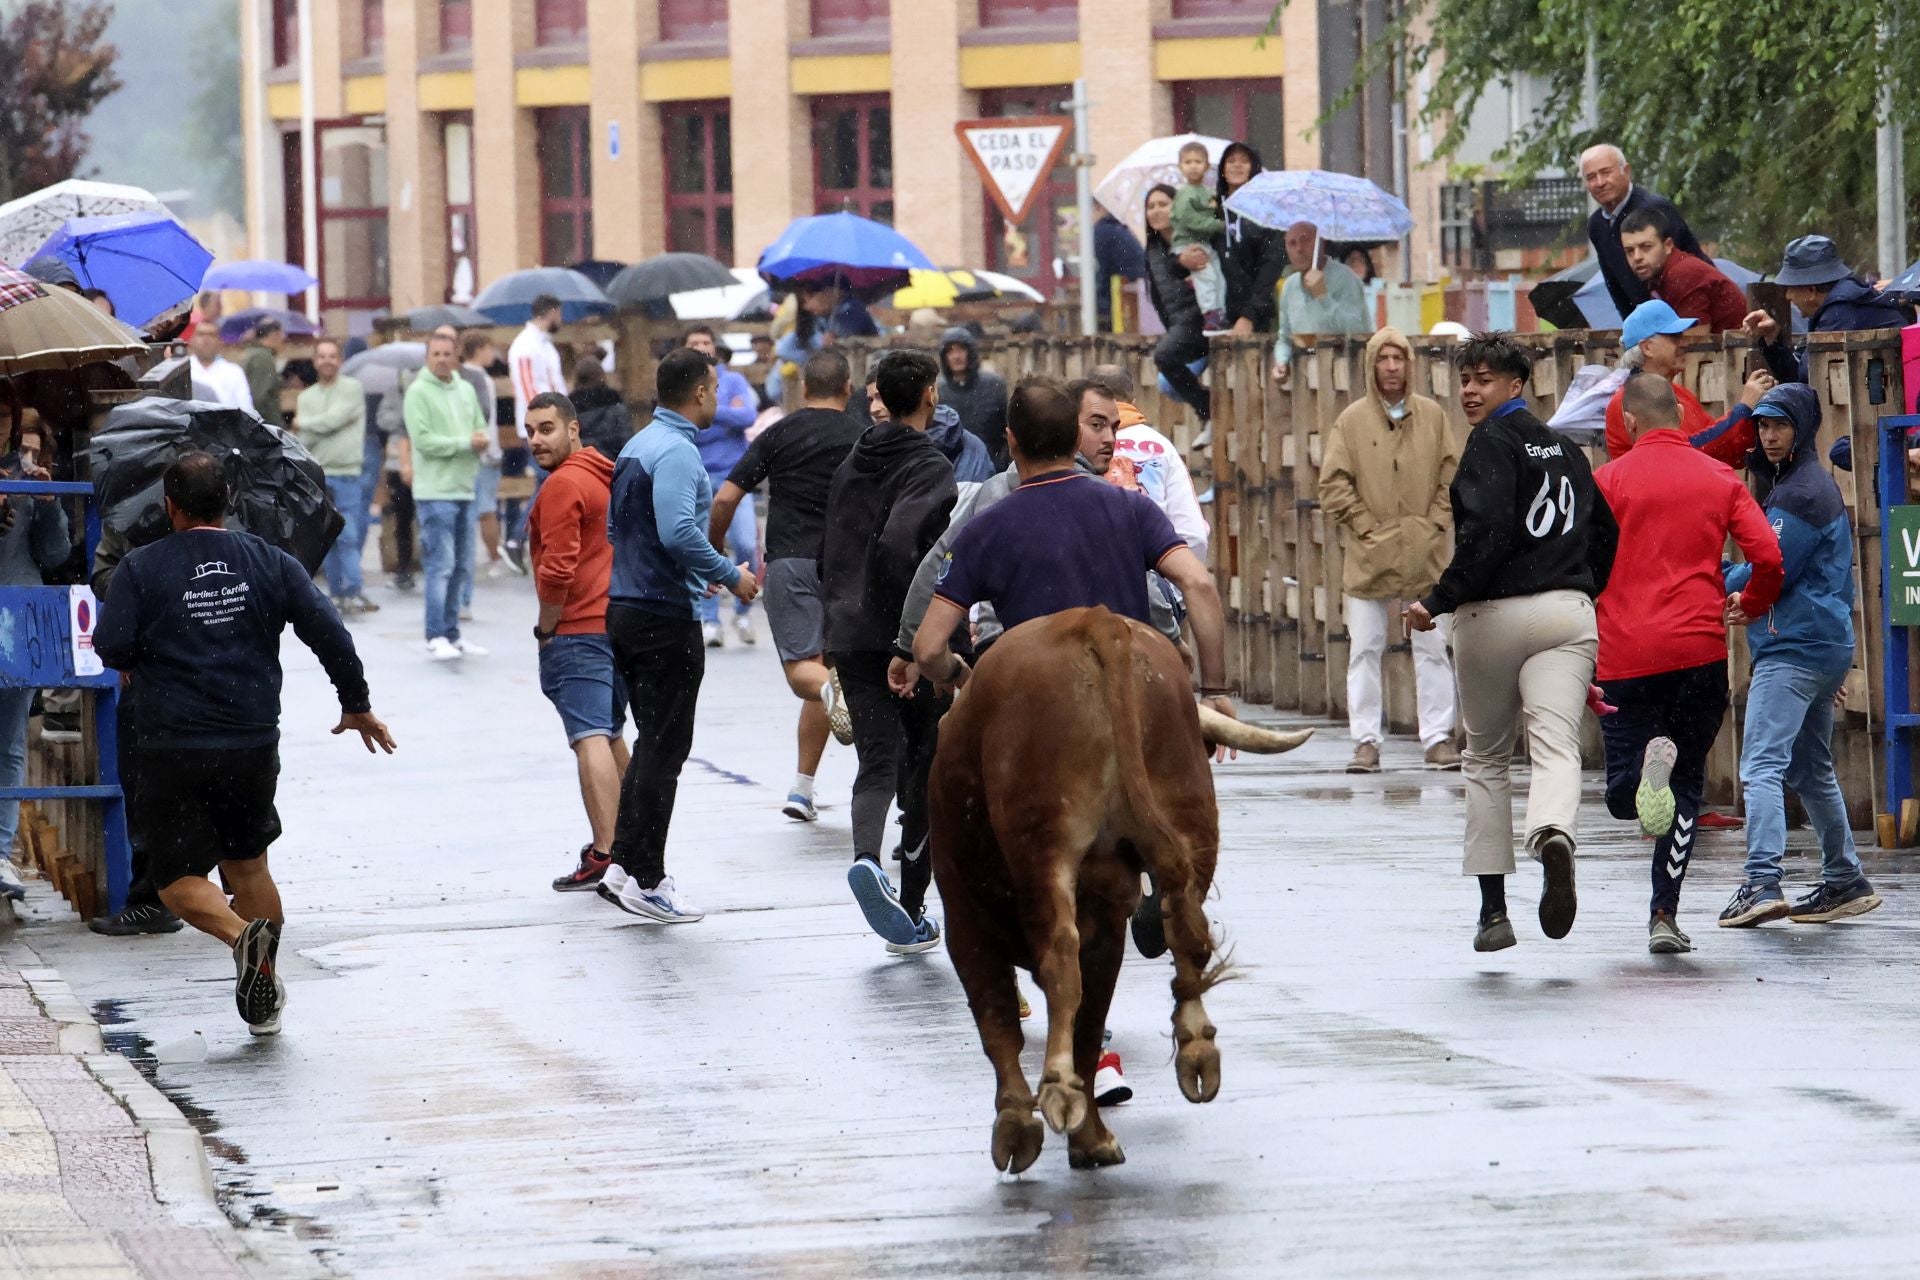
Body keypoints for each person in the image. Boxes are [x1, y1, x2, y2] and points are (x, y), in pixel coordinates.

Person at [93, 452, 396, 1035]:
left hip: (171, 743)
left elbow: (112, 643)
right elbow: (328, 630)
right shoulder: (269, 561)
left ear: (170, 507)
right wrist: (355, 703)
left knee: (176, 881)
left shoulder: (140, 567)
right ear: (227, 501)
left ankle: (239, 940)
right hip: (251, 740)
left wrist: (134, 659)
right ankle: (266, 992)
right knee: (249, 866)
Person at [1405, 333, 1618, 954]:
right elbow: (1606, 531)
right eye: (1465, 379)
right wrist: (1581, 591)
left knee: (1487, 758)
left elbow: (1487, 533)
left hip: (1492, 614)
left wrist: (1436, 599)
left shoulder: (1489, 444)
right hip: (1565, 613)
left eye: (1484, 379)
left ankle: (1494, 910)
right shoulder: (1568, 450)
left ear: (1516, 384)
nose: (1470, 390)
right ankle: (1554, 833)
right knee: (1557, 747)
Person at [1592, 373, 1783, 953]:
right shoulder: (1718, 477)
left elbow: (1573, 566)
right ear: (1678, 414)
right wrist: (1749, 605)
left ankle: (1634, 782)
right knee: (1687, 787)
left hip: (1625, 652)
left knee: (1626, 795)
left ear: (1628, 423)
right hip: (1698, 651)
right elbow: (1768, 556)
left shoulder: (1604, 482)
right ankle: (1663, 915)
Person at [1717, 384, 1883, 929]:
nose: (1768, 435)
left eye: (1780, 426)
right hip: (1823, 645)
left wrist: (1716, 575)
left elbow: (1770, 565)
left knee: (1761, 765)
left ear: (1803, 428)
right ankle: (1844, 879)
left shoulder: (1800, 493)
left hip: (1794, 649)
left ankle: (1761, 881)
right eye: (1763, 426)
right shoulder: (1806, 483)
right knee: (1812, 769)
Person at [603, 348, 759, 924]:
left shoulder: (638, 444)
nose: (717, 398)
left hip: (627, 606)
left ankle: (622, 864)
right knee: (666, 749)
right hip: (660, 617)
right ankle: (650, 878)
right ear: (698, 393)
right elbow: (676, 530)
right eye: (714, 388)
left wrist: (694, 572)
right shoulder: (677, 452)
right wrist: (727, 573)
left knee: (651, 743)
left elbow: (621, 528)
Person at [820, 349, 957, 953]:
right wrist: (911, 631)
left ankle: (864, 858)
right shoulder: (929, 465)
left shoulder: (855, 456)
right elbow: (906, 542)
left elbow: (835, 539)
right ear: (929, 393)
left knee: (876, 759)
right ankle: (909, 907)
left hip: (847, 630)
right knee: (923, 769)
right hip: (903, 636)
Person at [711, 349, 863, 822]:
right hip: (848, 567)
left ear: (803, 389)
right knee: (828, 674)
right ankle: (802, 788)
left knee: (806, 674)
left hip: (792, 561)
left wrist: (716, 552)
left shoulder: (779, 432)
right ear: (847, 388)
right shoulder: (863, 437)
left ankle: (844, 701)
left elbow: (726, 497)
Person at [1318, 328, 1461, 773]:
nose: (1393, 367)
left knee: (1433, 648)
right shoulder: (1352, 421)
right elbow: (1333, 484)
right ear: (1371, 365)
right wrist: (1364, 526)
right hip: (1370, 555)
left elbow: (1450, 476)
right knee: (1364, 648)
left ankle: (1438, 738)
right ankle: (1365, 741)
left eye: (1400, 358)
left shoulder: (1433, 417)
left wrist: (1435, 522)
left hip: (1426, 553)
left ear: (1410, 365)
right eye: (1384, 358)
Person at [524, 391, 631, 893]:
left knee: (588, 736)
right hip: (615, 624)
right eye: (529, 431)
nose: (535, 440)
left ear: (573, 429)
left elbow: (557, 569)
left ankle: (607, 853)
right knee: (610, 735)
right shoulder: (602, 473)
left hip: (578, 629)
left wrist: (547, 627)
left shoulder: (563, 485)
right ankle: (635, 840)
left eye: (546, 428)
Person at [0, 449, 68, 902]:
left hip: (17, 613)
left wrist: (46, 504)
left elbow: (54, 554)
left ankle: (0, 849)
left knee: (10, 740)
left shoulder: (24, 475)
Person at [405, 331, 490, 661]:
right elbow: (424, 441)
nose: (441, 359)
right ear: (427, 357)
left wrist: (478, 439)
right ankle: (434, 633)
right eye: (435, 353)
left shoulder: (466, 389)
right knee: (441, 565)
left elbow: (479, 425)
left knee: (462, 566)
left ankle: (453, 632)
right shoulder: (417, 392)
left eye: (446, 354)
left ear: (456, 357)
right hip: (434, 490)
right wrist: (465, 444)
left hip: (465, 487)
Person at [1603, 300, 1775, 463]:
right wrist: (1743, 409)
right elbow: (1683, 452)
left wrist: (1760, 412)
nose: (1684, 343)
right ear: (1647, 347)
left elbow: (1728, 451)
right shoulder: (1626, 402)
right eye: (1675, 337)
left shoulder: (1680, 394)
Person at [1747, 235, 1910, 388]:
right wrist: (1773, 337)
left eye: (1790, 288)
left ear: (1811, 290)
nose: (1788, 296)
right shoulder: (1843, 302)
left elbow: (1803, 380)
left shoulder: (1840, 311)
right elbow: (1799, 375)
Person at [686, 326, 761, 647]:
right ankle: (710, 619)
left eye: (706, 342)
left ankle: (743, 613)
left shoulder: (732, 380)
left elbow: (747, 416)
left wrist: (712, 411)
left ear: (715, 347)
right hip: (701, 477)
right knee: (706, 549)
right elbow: (689, 426)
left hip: (735, 477)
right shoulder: (684, 387)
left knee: (745, 542)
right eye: (694, 344)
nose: (702, 347)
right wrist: (723, 416)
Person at [295, 337, 377, 616]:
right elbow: (308, 438)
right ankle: (336, 592)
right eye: (322, 356)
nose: (327, 360)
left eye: (333, 355)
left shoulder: (352, 389)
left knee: (349, 534)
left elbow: (333, 420)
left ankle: (353, 590)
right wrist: (324, 426)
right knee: (327, 536)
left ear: (340, 360)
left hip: (348, 472)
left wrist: (307, 423)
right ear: (315, 361)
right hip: (319, 475)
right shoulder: (306, 397)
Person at [1580, 144, 1706, 318]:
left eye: (1606, 172)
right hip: (1645, 319)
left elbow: (1679, 270)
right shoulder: (1597, 225)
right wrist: (1632, 325)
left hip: (1690, 310)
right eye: (1591, 177)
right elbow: (1614, 283)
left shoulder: (1653, 209)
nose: (1600, 183)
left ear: (1626, 171)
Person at [505, 294, 568, 574]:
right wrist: (546, 425)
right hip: (540, 428)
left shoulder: (544, 346)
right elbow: (529, 390)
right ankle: (517, 538)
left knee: (550, 483)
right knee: (547, 483)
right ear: (552, 312)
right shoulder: (526, 346)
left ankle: (525, 539)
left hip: (553, 424)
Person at [1142, 184, 1212, 426]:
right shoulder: (1152, 249)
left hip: (1204, 323)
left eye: (1163, 204)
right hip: (1181, 327)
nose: (1156, 211)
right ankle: (1210, 411)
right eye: (1150, 206)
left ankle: (1209, 410)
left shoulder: (1195, 241)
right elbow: (1160, 299)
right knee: (1166, 383)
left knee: (1165, 356)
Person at [1271, 222, 1371, 386]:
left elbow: (1358, 330)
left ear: (1321, 242)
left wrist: (1323, 297)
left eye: (1305, 240)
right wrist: (1281, 362)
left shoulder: (1346, 279)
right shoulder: (1290, 286)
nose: (1299, 249)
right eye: (1292, 243)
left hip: (1346, 379)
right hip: (1306, 383)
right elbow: (1285, 337)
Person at [1619, 209, 1748, 333]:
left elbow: (1695, 343)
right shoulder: (1658, 275)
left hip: (1743, 350)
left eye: (1646, 247)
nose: (1637, 257)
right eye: (1629, 251)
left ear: (1668, 245)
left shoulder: (1682, 273)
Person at [1214, 141, 1287, 337]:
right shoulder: (1213, 212)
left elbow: (1271, 265)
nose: (1237, 165)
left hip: (1255, 319)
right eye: (1231, 161)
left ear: (1254, 169)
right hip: (1215, 318)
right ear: (1222, 169)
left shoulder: (1267, 215)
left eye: (1244, 161)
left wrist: (1249, 316)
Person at [457, 331, 507, 583]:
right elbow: (485, 416)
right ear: (479, 349)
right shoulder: (480, 379)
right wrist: (489, 449)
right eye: (489, 348)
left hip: (470, 450)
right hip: (485, 451)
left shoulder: (459, 376)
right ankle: (494, 557)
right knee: (487, 508)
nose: (492, 355)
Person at [936, 327, 1010, 470]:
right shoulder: (938, 392)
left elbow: (1007, 429)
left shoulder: (994, 386)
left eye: (961, 349)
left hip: (993, 465)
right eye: (950, 351)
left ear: (970, 352)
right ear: (944, 356)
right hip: (953, 469)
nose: (956, 356)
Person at [1171, 140, 1227, 327]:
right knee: (1207, 275)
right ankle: (1210, 313)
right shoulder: (1185, 194)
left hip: (1205, 243)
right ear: (1180, 166)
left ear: (1207, 166)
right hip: (1189, 243)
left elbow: (1212, 211)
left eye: (1198, 162)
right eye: (1188, 162)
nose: (1193, 166)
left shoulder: (1206, 192)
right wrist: (1218, 225)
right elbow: (1189, 220)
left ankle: (1219, 310)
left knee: (1218, 276)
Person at [570, 356, 634, 459]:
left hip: (581, 466)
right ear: (602, 377)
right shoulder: (616, 408)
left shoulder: (569, 411)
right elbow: (628, 446)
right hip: (611, 467)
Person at [1093, 210, 1145, 331]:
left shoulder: (1101, 232)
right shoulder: (1120, 229)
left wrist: (1100, 309)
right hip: (1138, 297)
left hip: (1119, 299)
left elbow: (1101, 272)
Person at [186, 326, 252, 411]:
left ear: (220, 342)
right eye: (201, 334)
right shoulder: (182, 370)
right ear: (191, 341)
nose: (206, 339)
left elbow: (246, 409)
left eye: (211, 335)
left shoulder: (234, 372)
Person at [240, 319, 288, 427]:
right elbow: (259, 397)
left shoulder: (253, 353)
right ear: (273, 335)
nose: (283, 338)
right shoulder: (262, 357)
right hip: (265, 427)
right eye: (280, 334)